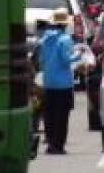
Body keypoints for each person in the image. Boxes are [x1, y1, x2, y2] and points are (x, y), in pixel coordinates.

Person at [37, 8, 84, 154]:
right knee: (62, 116)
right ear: (65, 24)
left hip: (48, 82)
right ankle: (58, 145)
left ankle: (51, 144)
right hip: (63, 83)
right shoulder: (65, 39)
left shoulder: (44, 39)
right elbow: (66, 60)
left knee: (49, 115)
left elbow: (41, 60)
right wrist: (78, 54)